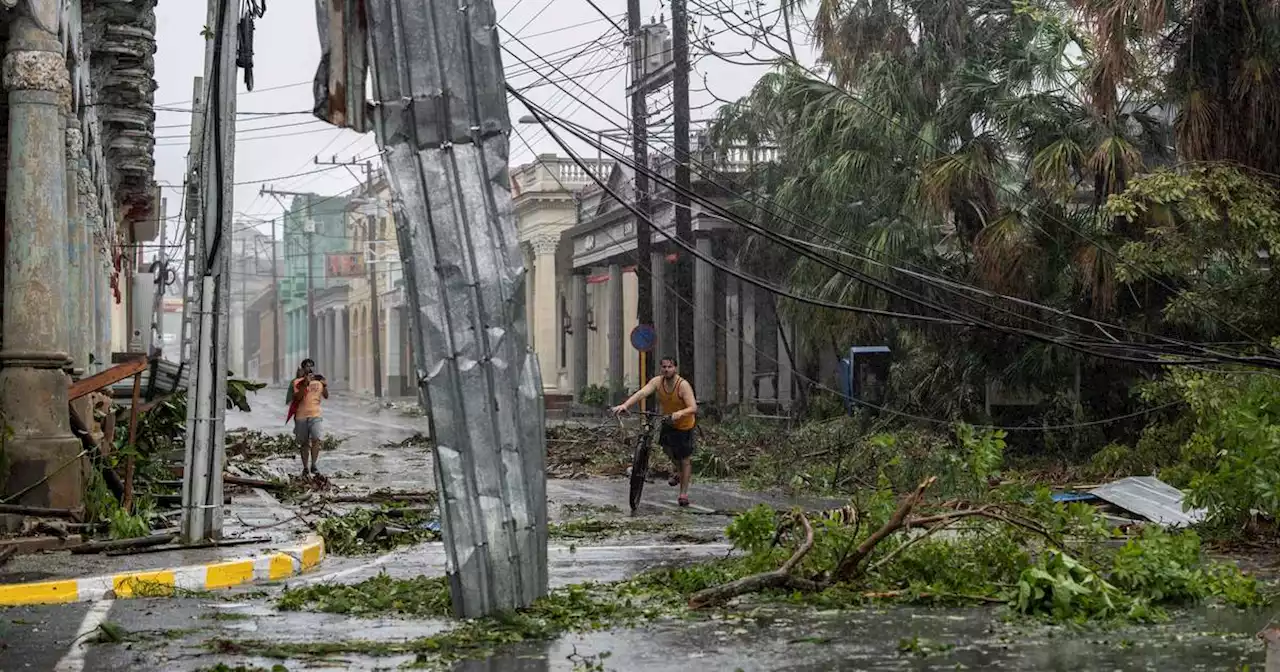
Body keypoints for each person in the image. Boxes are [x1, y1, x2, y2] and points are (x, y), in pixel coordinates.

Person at [611, 356, 699, 507]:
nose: (666, 370)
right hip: (668, 421)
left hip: (684, 425)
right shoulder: (658, 381)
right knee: (667, 449)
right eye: (664, 367)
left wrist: (680, 413)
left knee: (685, 460)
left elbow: (693, 407)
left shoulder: (682, 385)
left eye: (669, 367)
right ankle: (678, 472)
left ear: (675, 368)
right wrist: (625, 405)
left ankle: (683, 494)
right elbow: (642, 393)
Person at [288, 358, 328, 476]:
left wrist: (324, 385)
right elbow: (297, 398)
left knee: (316, 439)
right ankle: (305, 467)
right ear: (303, 368)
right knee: (304, 443)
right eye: (307, 366)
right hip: (301, 416)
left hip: (316, 414)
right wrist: (305, 383)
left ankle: (314, 465)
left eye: (312, 366)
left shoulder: (319, 380)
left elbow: (326, 395)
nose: (310, 368)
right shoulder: (297, 382)